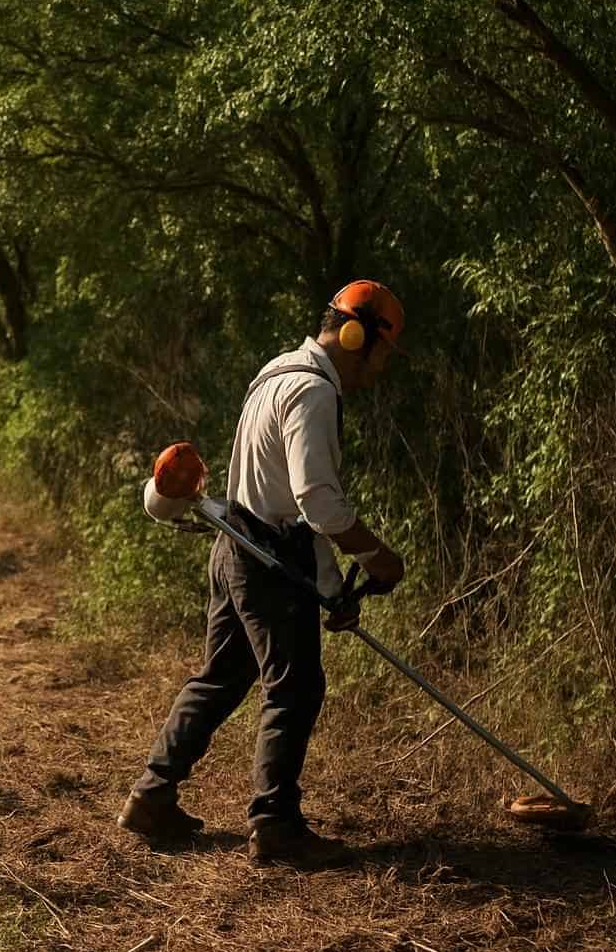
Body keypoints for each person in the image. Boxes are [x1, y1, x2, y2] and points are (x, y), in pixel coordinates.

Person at [118, 280, 409, 868]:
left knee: (221, 677)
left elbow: (287, 501)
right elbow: (318, 505)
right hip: (269, 560)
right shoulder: (313, 394)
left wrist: (332, 589)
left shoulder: (277, 371)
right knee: (295, 687)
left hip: (236, 547)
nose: (378, 370)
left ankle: (151, 797)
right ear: (358, 335)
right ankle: (275, 827)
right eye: (381, 353)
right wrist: (378, 559)